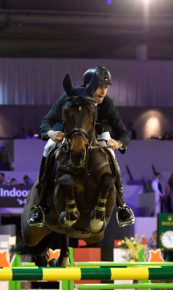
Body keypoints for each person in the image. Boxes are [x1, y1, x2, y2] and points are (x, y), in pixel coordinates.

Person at [30, 66, 134, 228]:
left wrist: (118, 143)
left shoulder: (107, 104)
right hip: (68, 133)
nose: (103, 91)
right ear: (88, 85)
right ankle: (40, 205)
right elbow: (46, 121)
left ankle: (122, 206)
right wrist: (50, 133)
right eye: (100, 86)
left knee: (112, 156)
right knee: (48, 148)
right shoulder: (69, 96)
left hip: (96, 135)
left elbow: (123, 134)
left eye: (106, 87)